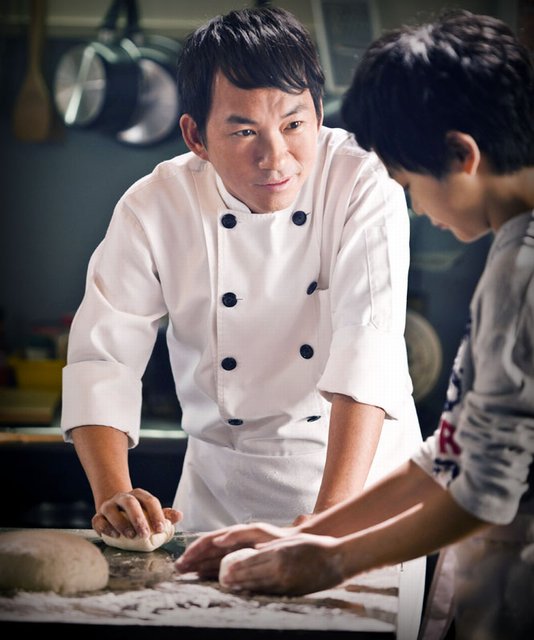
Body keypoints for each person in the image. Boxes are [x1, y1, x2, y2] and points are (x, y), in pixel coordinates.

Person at [175, 10, 534, 640]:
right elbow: (455, 453)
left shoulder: (521, 271)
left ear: (461, 155)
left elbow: (485, 488)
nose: (415, 207)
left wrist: (333, 560)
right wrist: (309, 533)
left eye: (409, 183)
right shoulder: (512, 253)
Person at [60, 6, 422, 552]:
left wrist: (328, 526)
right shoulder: (155, 206)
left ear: (318, 112)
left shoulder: (362, 181)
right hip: (221, 498)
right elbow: (102, 358)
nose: (275, 158)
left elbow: (368, 347)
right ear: (195, 136)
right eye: (245, 130)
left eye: (294, 125)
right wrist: (114, 493)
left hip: (360, 494)